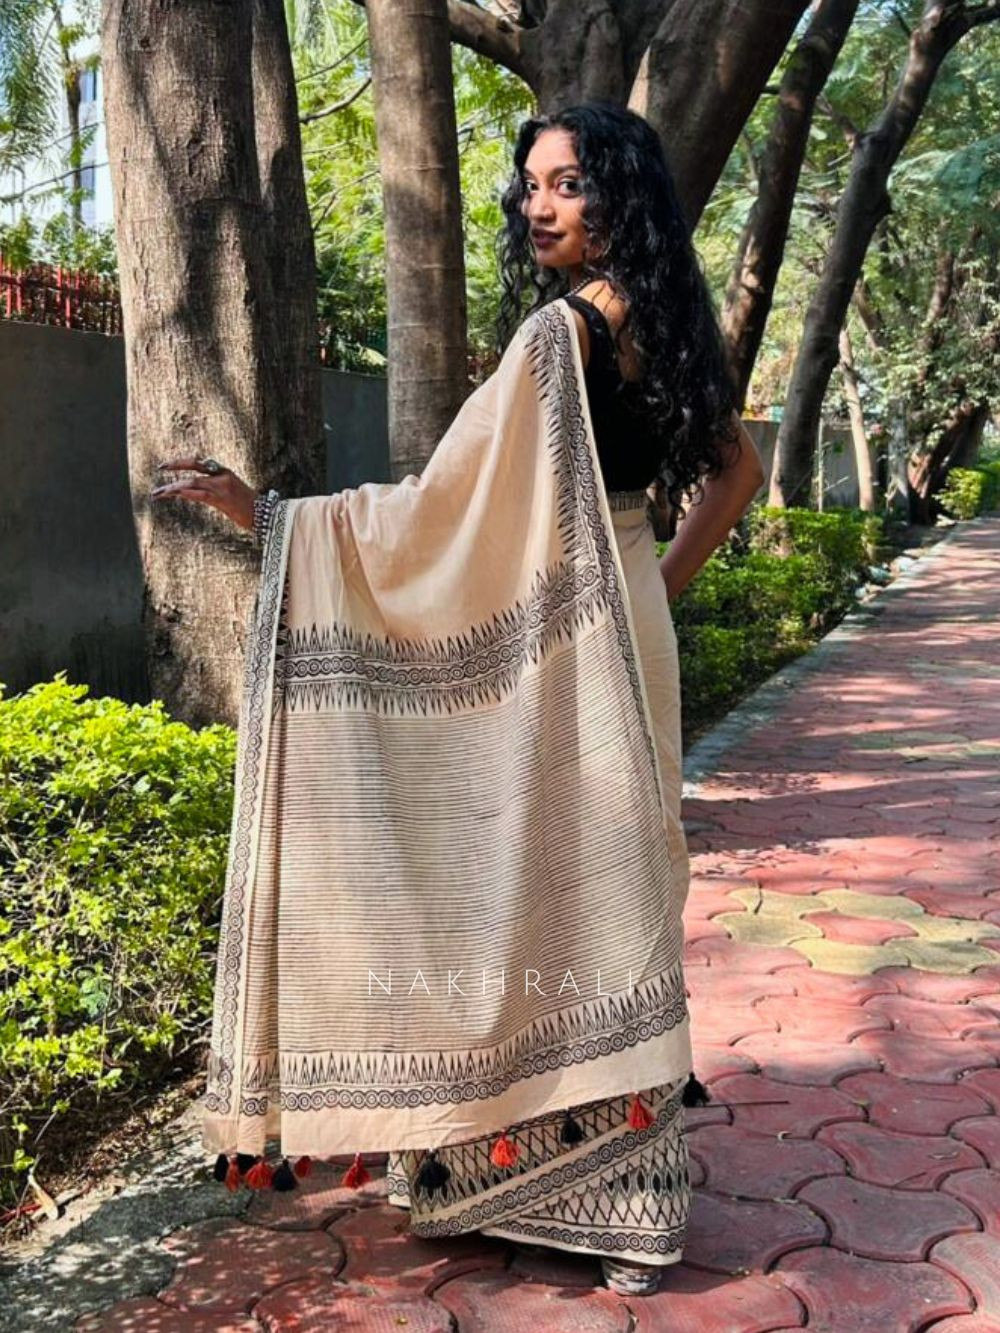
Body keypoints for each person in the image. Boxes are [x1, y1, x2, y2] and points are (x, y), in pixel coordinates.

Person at [152, 101, 764, 1297]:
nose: (539, 204)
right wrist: (648, 585)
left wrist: (269, 518)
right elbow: (738, 472)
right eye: (530, 183)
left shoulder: (558, 334)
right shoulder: (662, 317)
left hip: (571, 632)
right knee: (615, 890)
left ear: (620, 195)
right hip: (623, 621)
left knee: (534, 887)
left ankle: (537, 1176)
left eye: (568, 182)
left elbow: (439, 513)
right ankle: (620, 1202)